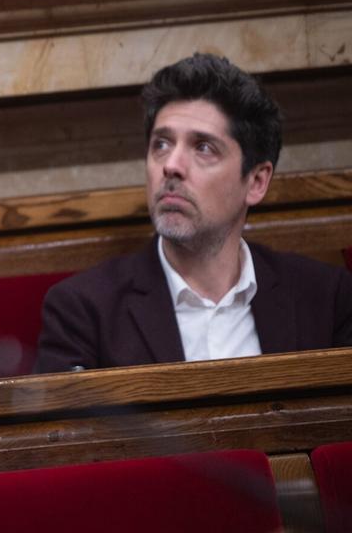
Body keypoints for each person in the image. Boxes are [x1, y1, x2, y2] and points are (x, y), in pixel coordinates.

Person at [34, 53, 352, 373]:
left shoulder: (328, 297)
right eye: (161, 144)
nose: (171, 165)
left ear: (256, 182)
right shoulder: (84, 310)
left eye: (203, 147)